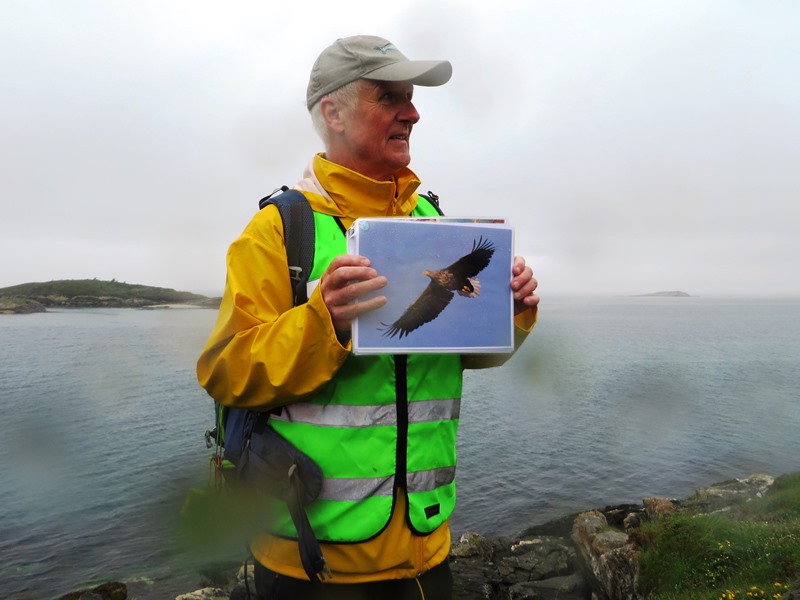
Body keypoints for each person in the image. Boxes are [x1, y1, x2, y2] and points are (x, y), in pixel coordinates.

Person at [196, 35, 539, 600]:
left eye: (411, 97)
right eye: (389, 97)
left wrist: (514, 310)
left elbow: (463, 352)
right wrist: (321, 322)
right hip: (312, 561)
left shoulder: (432, 218)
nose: (413, 111)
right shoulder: (281, 231)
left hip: (426, 548)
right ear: (332, 111)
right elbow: (225, 373)